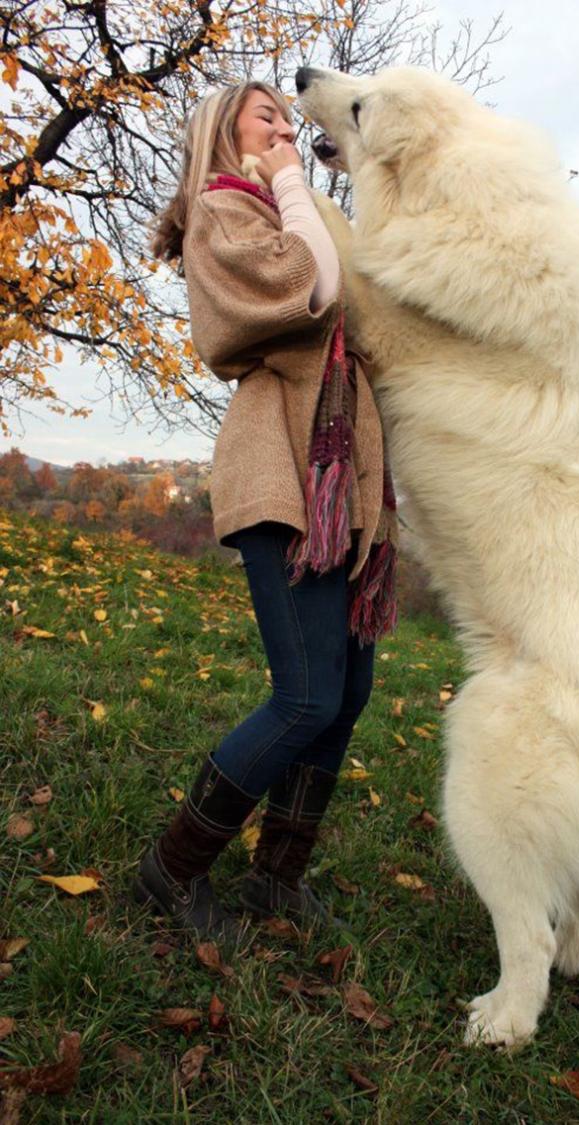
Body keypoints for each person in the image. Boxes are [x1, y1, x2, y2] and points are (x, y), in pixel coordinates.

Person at [134, 81, 398, 939]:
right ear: (226, 134)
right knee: (306, 696)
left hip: (339, 483)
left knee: (347, 690)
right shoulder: (223, 213)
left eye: (289, 121)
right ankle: (170, 870)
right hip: (282, 477)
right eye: (268, 120)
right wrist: (292, 183)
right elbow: (310, 288)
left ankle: (278, 879)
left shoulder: (283, 209)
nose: (287, 132)